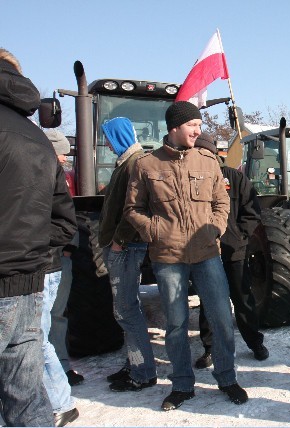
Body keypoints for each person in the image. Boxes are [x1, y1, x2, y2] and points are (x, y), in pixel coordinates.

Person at [124, 101, 248, 410]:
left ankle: (227, 378)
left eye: (199, 125)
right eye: (193, 125)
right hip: (168, 258)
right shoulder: (146, 165)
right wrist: (155, 231)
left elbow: (222, 202)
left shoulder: (208, 161)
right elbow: (132, 210)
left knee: (221, 318)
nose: (198, 130)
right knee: (177, 324)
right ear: (175, 128)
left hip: (207, 254)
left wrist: (215, 230)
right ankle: (181, 385)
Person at [0, 48, 77, 426]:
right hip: (30, 281)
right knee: (25, 397)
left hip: (16, 278)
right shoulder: (36, 139)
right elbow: (65, 219)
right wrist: (36, 257)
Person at [193, 133, 268, 368]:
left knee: (242, 297)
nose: (203, 156)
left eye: (207, 152)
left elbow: (252, 211)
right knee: (208, 301)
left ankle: (255, 343)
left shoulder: (235, 178)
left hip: (233, 250)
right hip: (204, 252)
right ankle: (210, 348)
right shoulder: (191, 178)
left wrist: (241, 236)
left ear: (214, 153)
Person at [98, 117, 157, 392]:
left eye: (108, 137)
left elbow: (136, 207)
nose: (107, 144)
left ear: (119, 135)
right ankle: (134, 361)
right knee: (125, 308)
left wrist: (120, 241)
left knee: (126, 309)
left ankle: (143, 371)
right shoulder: (126, 161)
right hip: (122, 245)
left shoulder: (135, 162)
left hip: (127, 247)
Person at [40, 130, 80, 426]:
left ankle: (60, 374)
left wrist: (66, 249)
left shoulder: (61, 179)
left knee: (52, 319)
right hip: (47, 258)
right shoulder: (42, 172)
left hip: (53, 259)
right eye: (60, 152)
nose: (65, 157)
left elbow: (67, 219)